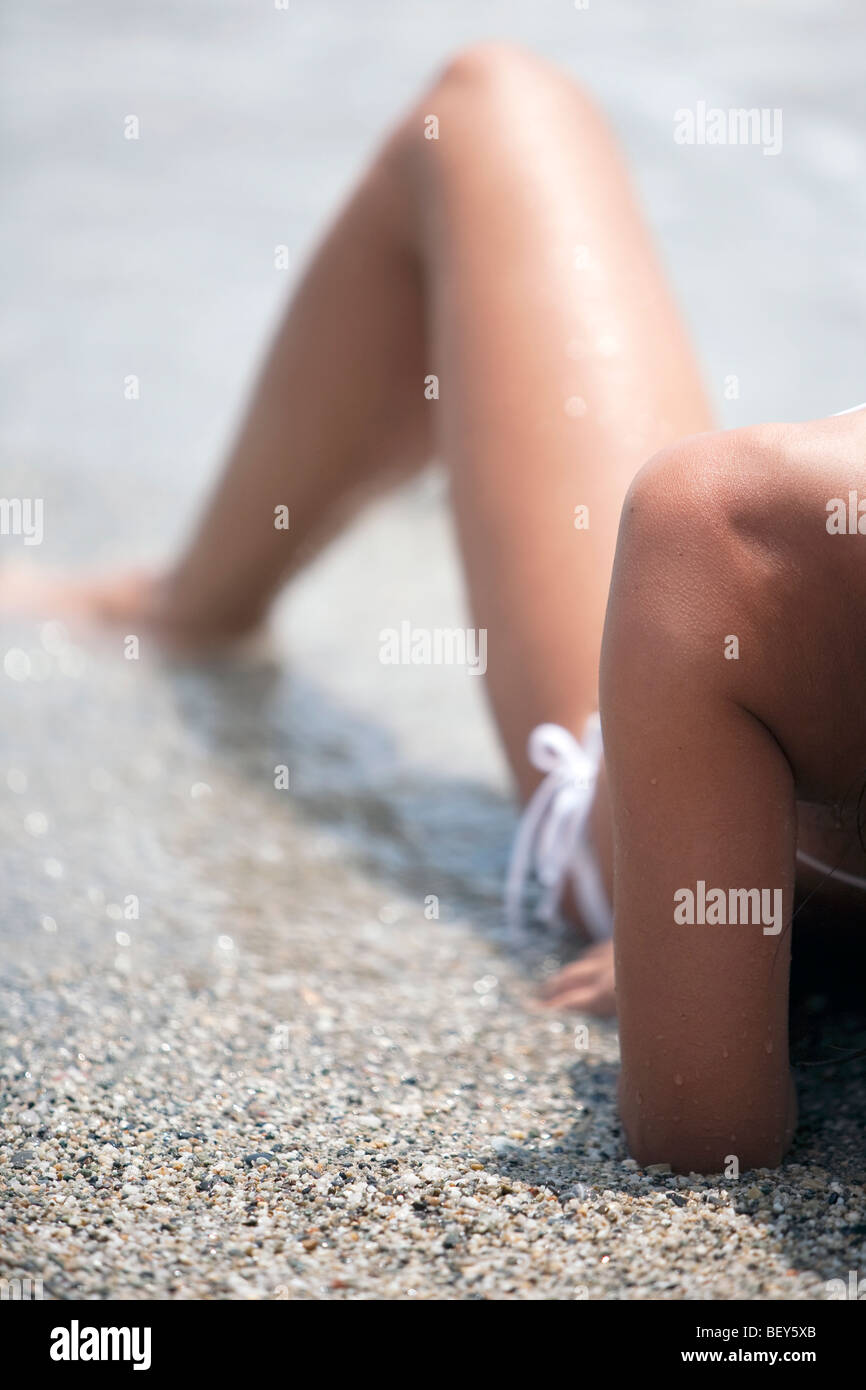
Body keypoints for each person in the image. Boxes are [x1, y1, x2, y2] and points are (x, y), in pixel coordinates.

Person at [10, 44, 866, 1173]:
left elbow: (703, 1148)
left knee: (487, 109)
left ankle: (186, 607)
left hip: (698, 802)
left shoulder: (748, 529)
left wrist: (710, 924)